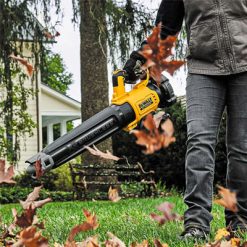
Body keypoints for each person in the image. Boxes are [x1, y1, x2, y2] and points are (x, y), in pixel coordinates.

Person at [124, 0, 247, 240]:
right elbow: (165, 28)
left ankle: (239, 220)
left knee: (242, 147)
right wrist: (141, 58)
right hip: (203, 70)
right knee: (199, 140)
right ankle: (197, 224)